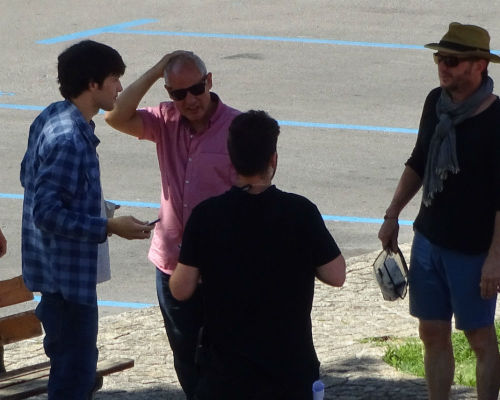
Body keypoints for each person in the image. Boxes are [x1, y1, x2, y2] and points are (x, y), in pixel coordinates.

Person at [170, 110, 347, 400]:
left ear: (231, 160)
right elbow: (336, 275)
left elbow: (180, 288)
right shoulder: (300, 212)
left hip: (226, 374)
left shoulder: (207, 216)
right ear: (273, 159)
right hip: (289, 368)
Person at [20, 40, 154, 400]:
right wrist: (107, 226)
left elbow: (29, 179)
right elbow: (46, 212)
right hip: (67, 284)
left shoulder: (52, 116)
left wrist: (92, 205)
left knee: (74, 369)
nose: (120, 88)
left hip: (55, 277)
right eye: (114, 79)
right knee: (74, 377)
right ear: (93, 84)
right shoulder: (69, 140)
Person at [105, 50, 240, 398]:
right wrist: (155, 70)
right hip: (171, 261)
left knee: (225, 350)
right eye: (178, 94)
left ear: (209, 81)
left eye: (195, 89)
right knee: (184, 351)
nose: (190, 100)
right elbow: (115, 116)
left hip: (221, 263)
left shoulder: (237, 128)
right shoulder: (164, 121)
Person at [378, 22, 500, 400]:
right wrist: (392, 213)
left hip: (474, 249)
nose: (443, 67)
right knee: (431, 332)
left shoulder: (497, 119)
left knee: (479, 339)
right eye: (439, 58)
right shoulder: (436, 102)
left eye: (452, 60)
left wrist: (495, 258)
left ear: (479, 65)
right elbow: (419, 160)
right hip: (429, 239)